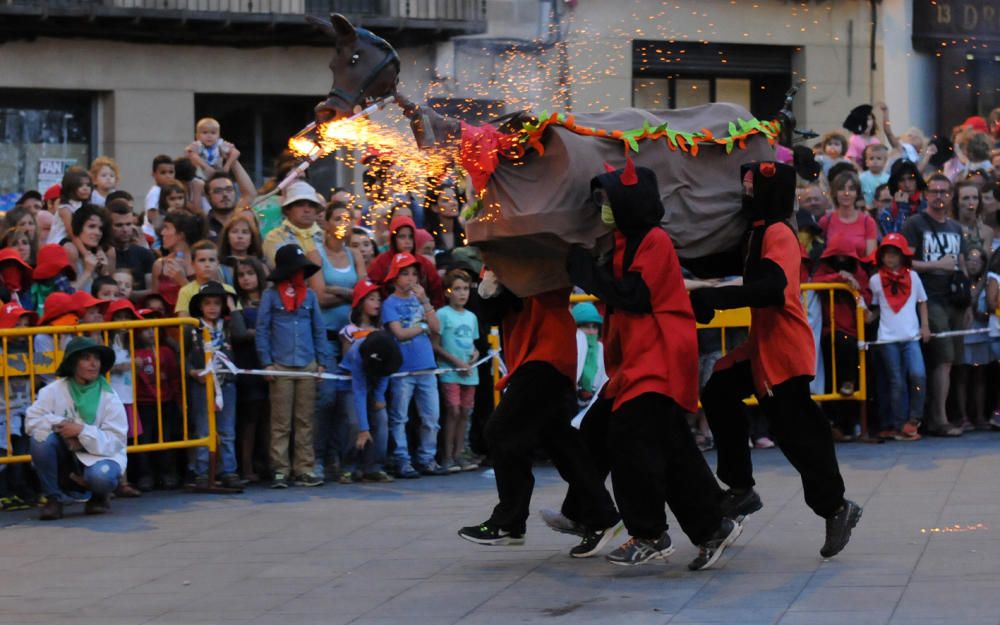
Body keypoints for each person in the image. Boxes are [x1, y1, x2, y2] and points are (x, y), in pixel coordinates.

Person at [567, 163, 738, 569]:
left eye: (608, 199)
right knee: (672, 451)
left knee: (630, 441)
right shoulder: (627, 241)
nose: (604, 207)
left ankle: (647, 532)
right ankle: (713, 526)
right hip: (638, 361)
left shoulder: (653, 241)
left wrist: (586, 272)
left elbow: (636, 296)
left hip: (657, 359)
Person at [691, 161, 861, 559]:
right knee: (718, 391)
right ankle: (739, 486)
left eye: (752, 188)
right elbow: (719, 266)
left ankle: (836, 507)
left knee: (798, 435)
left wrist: (711, 297)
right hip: (763, 346)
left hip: (783, 351)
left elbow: (770, 289)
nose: (746, 195)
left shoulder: (779, 233)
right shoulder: (758, 234)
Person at [457, 269, 621, 555]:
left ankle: (509, 521)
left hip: (547, 353)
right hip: (537, 354)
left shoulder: (534, 246)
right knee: (561, 443)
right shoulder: (499, 255)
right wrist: (488, 286)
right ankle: (602, 514)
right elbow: (495, 314)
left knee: (502, 431)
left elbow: (535, 284)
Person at [25, 337, 127, 520]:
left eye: (96, 358)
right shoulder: (53, 390)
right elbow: (32, 420)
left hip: (99, 456)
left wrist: (81, 431)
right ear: (73, 364)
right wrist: (64, 427)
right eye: (86, 358)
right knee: (40, 439)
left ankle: (99, 496)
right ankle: (53, 499)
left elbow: (116, 441)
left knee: (101, 477)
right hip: (67, 454)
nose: (93, 363)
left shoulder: (110, 397)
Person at [256, 244, 329, 488]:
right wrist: (266, 362)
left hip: (307, 363)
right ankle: (280, 469)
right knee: (280, 422)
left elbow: (318, 329)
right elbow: (262, 330)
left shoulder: (308, 296)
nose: (299, 274)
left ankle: (304, 468)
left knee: (305, 420)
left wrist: (321, 362)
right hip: (281, 364)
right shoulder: (271, 296)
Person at [902, 174, 968, 437]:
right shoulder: (915, 223)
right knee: (943, 359)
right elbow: (904, 262)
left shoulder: (955, 227)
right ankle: (939, 420)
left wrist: (968, 301)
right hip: (928, 299)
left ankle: (944, 415)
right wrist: (936, 265)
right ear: (926, 194)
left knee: (953, 362)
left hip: (954, 299)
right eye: (934, 191)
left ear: (950, 195)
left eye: (944, 191)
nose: (939, 196)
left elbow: (961, 264)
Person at [380, 252, 445, 478]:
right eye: (405, 274)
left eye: (414, 274)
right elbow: (399, 333)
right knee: (399, 417)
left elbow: (437, 327)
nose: (410, 278)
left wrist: (426, 302)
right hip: (403, 369)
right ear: (395, 277)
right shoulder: (390, 303)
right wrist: (423, 327)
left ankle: (427, 458)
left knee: (431, 418)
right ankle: (402, 459)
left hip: (426, 366)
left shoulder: (421, 300)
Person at [867, 234, 929, 441]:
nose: (890, 258)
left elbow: (922, 301)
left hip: (911, 337)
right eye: (886, 254)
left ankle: (914, 420)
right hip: (887, 338)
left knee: (918, 374)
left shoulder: (913, 277)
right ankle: (900, 423)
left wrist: (925, 327)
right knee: (896, 382)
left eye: (894, 254)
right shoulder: (875, 280)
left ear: (903, 256)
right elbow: (876, 308)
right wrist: (866, 316)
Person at [184, 281, 245, 490]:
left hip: (226, 383)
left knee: (227, 430)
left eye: (218, 303)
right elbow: (182, 356)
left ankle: (228, 471)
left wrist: (233, 306)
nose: (212, 307)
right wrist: (191, 372)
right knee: (203, 430)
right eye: (207, 303)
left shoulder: (228, 327)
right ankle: (202, 472)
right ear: (199, 306)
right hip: (201, 385)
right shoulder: (192, 328)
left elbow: (241, 334)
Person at [335, 329, 401, 484]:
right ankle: (348, 467)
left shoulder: (391, 347)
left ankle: (374, 467)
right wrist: (364, 429)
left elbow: (386, 373)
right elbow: (359, 392)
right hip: (350, 383)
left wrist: (379, 396)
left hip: (375, 383)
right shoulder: (356, 352)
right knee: (354, 423)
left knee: (382, 420)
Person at [432, 269, 480, 473]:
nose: (462, 293)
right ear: (448, 292)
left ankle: (460, 453)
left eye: (466, 289)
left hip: (469, 373)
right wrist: (455, 362)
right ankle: (447, 455)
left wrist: (475, 355)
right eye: (457, 289)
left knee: (465, 412)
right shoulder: (442, 314)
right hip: (450, 371)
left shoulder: (471, 317)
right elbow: (435, 345)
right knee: (453, 410)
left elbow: (473, 345)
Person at [232, 257, 268, 483]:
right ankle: (246, 467)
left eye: (250, 273)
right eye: (241, 275)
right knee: (249, 419)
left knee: (268, 417)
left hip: (268, 361)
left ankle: (265, 463)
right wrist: (256, 333)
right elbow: (238, 333)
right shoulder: (235, 302)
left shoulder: (269, 299)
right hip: (246, 363)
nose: (246, 279)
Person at [366, 215, 444, 307]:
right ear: (393, 239)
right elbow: (372, 291)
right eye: (402, 237)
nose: (407, 241)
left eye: (411, 237)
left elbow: (437, 292)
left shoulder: (424, 263)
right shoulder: (381, 262)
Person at [262, 181, 325, 266]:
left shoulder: (326, 238)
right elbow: (281, 269)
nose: (307, 210)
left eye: (312, 205)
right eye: (300, 205)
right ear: (288, 209)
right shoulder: (274, 237)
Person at [819, 171, 876, 258]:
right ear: (835, 193)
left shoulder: (868, 222)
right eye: (841, 189)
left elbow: (871, 258)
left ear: (857, 193)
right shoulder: (825, 221)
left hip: (860, 270)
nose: (846, 193)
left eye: (851, 189)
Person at [151, 211, 200, 312]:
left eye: (167, 228)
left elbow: (207, 302)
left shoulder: (203, 261)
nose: (162, 232)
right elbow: (153, 301)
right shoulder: (159, 265)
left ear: (180, 235)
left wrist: (182, 280)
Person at [173, 240, 237, 316]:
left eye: (211, 260)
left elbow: (237, 319)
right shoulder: (185, 292)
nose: (207, 264)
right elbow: (184, 323)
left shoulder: (229, 290)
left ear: (218, 263)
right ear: (193, 264)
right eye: (202, 260)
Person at [107, 199, 154, 302]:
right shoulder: (102, 254)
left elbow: (152, 291)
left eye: (128, 224)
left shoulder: (145, 254)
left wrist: (125, 294)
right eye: (119, 225)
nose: (125, 230)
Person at [570, 302, 606, 409]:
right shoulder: (568, 351)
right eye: (585, 326)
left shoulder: (601, 350)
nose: (591, 332)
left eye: (595, 327)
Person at [880, 160, 927, 235]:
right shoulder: (887, 213)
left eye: (911, 178)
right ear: (895, 184)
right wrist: (902, 209)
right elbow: (896, 240)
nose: (907, 185)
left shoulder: (927, 208)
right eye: (901, 180)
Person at [143, 155, 176, 239]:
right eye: (163, 173)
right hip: (152, 236)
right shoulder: (155, 192)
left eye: (171, 172)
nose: (168, 176)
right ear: (153, 174)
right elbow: (152, 215)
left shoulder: (168, 191)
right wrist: (162, 231)